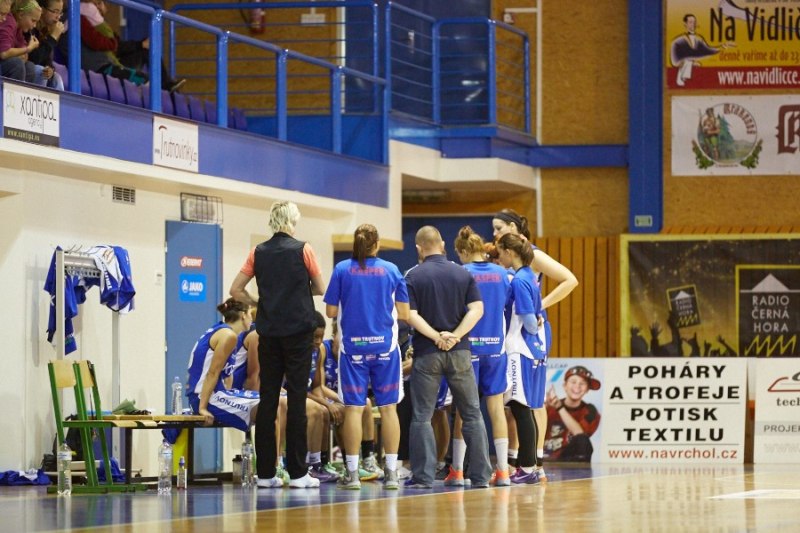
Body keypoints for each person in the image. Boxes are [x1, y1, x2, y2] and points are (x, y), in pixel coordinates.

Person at [229, 200, 325, 489]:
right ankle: (297, 473)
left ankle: (266, 474)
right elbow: (320, 287)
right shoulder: (304, 249)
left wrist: (258, 301)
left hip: (269, 332)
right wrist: (297, 292)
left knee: (268, 399)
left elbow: (235, 289)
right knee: (296, 399)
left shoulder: (257, 252)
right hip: (298, 332)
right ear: (292, 221)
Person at [403, 225, 492, 489]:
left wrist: (436, 337)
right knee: (472, 414)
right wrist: (454, 336)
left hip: (427, 354)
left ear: (419, 248)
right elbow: (477, 309)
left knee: (422, 416)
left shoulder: (413, 275)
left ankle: (423, 477)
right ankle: (481, 477)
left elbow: (410, 315)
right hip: (460, 352)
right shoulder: (462, 272)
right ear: (442, 244)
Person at [492, 208, 577, 481]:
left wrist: (540, 306)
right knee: (515, 402)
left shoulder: (531, 256)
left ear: (513, 228)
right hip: (514, 331)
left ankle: (536, 464)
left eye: (498, 228)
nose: (494, 233)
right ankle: (518, 461)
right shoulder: (505, 257)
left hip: (528, 333)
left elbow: (570, 279)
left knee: (532, 401)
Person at [324, 223, 409, 490]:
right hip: (385, 348)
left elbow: (330, 312)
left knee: (354, 409)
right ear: (377, 244)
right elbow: (405, 314)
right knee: (389, 409)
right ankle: (391, 473)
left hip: (353, 349)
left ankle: (352, 475)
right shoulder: (391, 270)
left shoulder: (341, 269)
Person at [445, 225, 512, 487]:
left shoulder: (460, 273)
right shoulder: (503, 273)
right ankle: (503, 471)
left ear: (462, 251)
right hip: (496, 349)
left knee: (464, 410)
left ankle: (457, 471)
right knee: (496, 409)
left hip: (468, 349)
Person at [496, 232, 546, 484]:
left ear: (510, 252)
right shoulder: (530, 276)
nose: (499, 258)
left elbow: (529, 321)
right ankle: (531, 465)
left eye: (500, 253)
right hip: (530, 349)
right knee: (525, 409)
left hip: (519, 349)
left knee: (520, 408)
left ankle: (527, 468)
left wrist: (534, 323)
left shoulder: (519, 281)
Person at [186, 298, 260, 432]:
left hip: (213, 394)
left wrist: (230, 394)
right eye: (250, 314)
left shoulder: (225, 331)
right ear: (243, 315)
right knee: (271, 406)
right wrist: (202, 408)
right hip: (203, 397)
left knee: (279, 401)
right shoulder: (228, 335)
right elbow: (212, 372)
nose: (252, 319)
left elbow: (228, 375)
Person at [78, 0, 185, 91]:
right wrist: (140, 44)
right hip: (109, 65)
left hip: (113, 61)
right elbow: (115, 47)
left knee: (146, 50)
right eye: (95, 4)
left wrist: (140, 45)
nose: (98, 7)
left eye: (99, 3)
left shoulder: (102, 26)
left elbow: (116, 46)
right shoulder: (90, 23)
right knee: (144, 75)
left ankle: (166, 85)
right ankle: (166, 86)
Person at [544, 365, 601, 462]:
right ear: (565, 386)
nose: (577, 386)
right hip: (542, 458)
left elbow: (580, 436)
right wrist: (542, 407)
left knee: (582, 441)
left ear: (587, 389)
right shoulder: (549, 406)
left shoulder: (590, 411)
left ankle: (577, 472)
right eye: (573, 382)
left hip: (566, 460)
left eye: (582, 383)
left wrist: (559, 408)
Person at [670, 13, 733, 87]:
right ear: (685, 24)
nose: (693, 24)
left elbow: (709, 50)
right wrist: (691, 63)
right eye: (690, 22)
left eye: (694, 22)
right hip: (681, 74)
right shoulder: (678, 41)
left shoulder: (699, 39)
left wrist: (722, 47)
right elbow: (675, 61)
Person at [0, 0, 40, 83]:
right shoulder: (9, 22)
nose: (34, 25)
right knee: (16, 64)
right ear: (21, 15)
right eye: (33, 20)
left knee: (30, 67)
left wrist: (23, 52)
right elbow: (4, 53)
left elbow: (24, 56)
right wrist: (28, 49)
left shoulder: (19, 29)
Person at [28, 0, 64, 90]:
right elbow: (34, 59)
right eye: (55, 11)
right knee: (41, 71)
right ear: (43, 10)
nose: (58, 17)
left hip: (36, 68)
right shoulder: (32, 26)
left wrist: (50, 69)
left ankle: (60, 100)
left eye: (60, 13)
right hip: (27, 68)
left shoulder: (48, 30)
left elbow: (47, 60)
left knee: (56, 78)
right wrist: (52, 38)